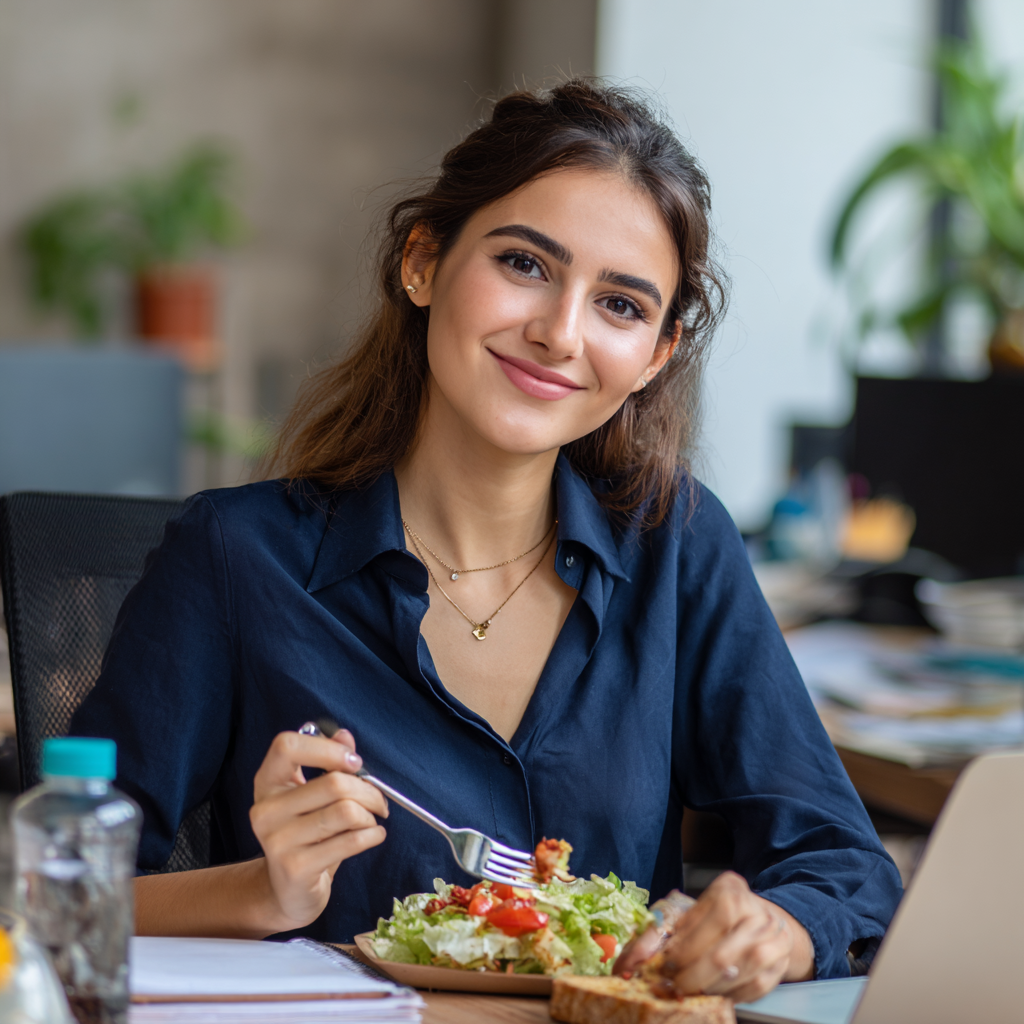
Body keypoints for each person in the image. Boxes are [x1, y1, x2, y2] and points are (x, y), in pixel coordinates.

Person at [73, 79, 901, 1002]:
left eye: (620, 306)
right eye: (525, 265)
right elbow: (63, 890)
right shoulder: (234, 559)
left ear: (656, 357)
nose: (558, 333)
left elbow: (844, 866)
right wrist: (265, 893)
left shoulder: (677, 544)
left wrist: (770, 936)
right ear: (423, 262)